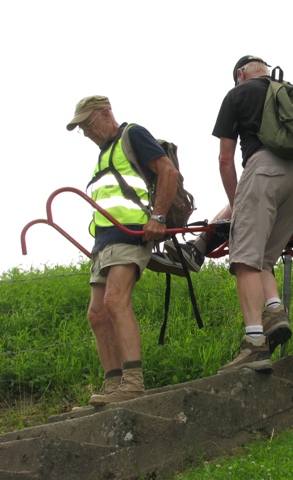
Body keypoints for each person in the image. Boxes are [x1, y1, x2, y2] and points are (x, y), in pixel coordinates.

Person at [210, 55, 293, 374]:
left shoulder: (237, 94)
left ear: (241, 74)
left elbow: (225, 159)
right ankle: (274, 310)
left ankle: (254, 344)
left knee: (244, 259)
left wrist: (236, 206)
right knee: (264, 259)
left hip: (263, 171)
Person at [66, 95, 179, 406]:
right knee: (97, 314)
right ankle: (113, 384)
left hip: (130, 235)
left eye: (88, 124)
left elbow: (168, 171)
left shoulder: (132, 135)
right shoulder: (103, 154)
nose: (86, 132)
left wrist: (158, 217)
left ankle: (132, 382)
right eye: (81, 129)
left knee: (115, 301)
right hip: (103, 242)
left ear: (106, 114)